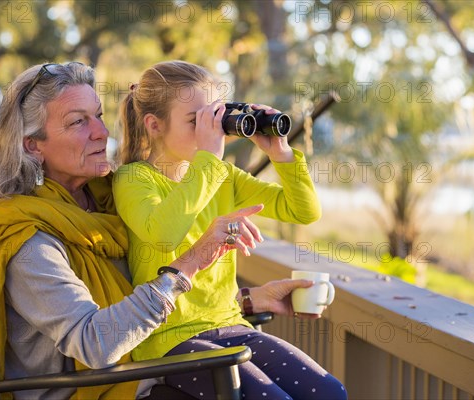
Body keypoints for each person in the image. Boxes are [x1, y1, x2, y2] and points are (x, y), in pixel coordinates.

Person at [0, 61, 330, 400]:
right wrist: (191, 262)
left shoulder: (99, 203)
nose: (101, 132)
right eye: (78, 122)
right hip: (98, 388)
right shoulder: (25, 237)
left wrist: (247, 299)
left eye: (98, 116)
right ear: (33, 145)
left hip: (144, 370)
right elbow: (97, 343)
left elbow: (145, 302)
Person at [114, 60, 347, 399]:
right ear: (154, 125)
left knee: (329, 392)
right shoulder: (134, 179)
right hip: (170, 340)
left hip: (229, 324)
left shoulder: (221, 176)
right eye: (196, 121)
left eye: (215, 118)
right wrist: (208, 158)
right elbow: (165, 234)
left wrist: (279, 153)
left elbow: (303, 210)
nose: (210, 132)